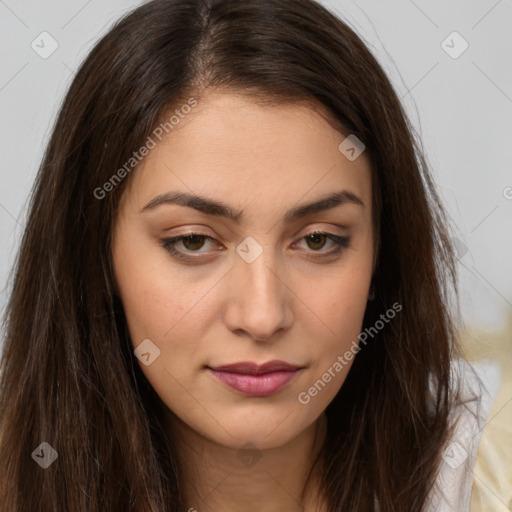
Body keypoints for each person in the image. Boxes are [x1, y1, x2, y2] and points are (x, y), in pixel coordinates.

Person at [0, 0, 493, 510]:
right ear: (96, 261)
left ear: (381, 256)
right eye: (193, 241)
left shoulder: (488, 483)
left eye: (319, 240)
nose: (262, 317)